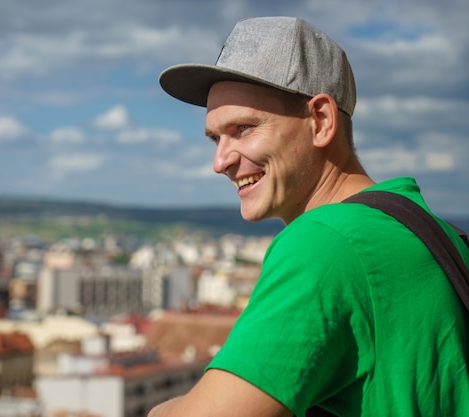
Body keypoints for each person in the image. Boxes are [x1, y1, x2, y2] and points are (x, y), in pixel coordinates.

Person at [149, 16, 469, 417]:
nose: (220, 162)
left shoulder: (325, 242)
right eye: (216, 138)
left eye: (244, 129)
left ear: (320, 120)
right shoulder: (429, 231)